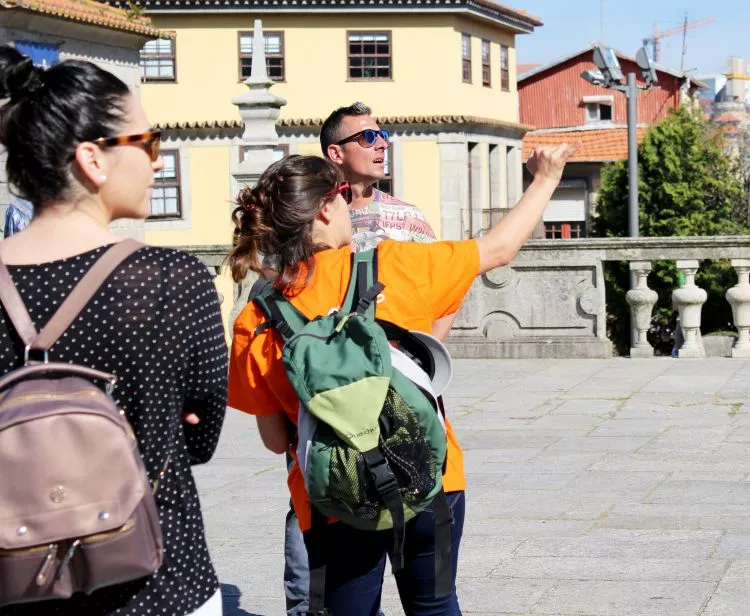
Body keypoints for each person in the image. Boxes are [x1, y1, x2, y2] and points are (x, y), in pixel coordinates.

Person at [228, 145, 575, 615]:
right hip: (431, 477)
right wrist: (547, 176)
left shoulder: (258, 315)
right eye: (344, 194)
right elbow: (499, 248)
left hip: (334, 500)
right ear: (328, 207)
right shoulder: (395, 265)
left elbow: (274, 439)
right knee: (435, 604)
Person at [0, 46, 228, 615]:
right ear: (92, 160)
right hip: (158, 580)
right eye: (147, 143)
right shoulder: (174, 282)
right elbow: (200, 439)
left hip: (16, 582)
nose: (158, 159)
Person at [278, 102, 446, 616]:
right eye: (368, 136)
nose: (381, 143)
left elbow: (442, 298)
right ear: (335, 152)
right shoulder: (305, 213)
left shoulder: (408, 218)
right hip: (326, 399)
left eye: (384, 134)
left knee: (412, 521)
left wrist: (417, 371)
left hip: (395, 400)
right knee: (319, 517)